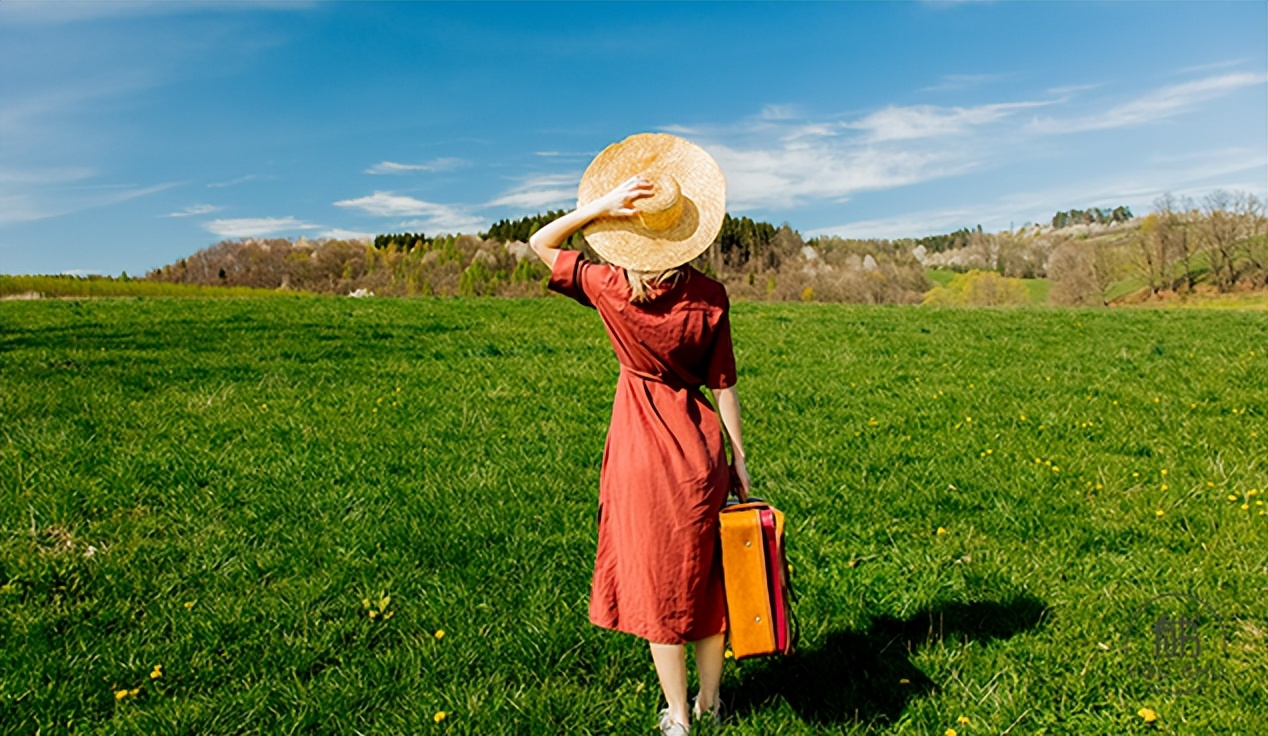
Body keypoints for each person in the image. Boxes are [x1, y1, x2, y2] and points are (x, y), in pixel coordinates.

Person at [527, 133, 751, 736]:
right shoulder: (709, 296)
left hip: (638, 452)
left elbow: (540, 242)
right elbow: (724, 383)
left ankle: (676, 716)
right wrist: (740, 460)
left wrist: (602, 208)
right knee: (706, 577)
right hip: (700, 451)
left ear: (632, 229)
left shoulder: (608, 285)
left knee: (657, 582)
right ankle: (712, 702)